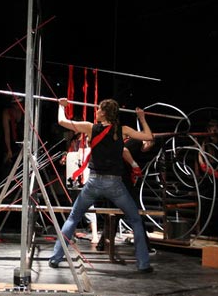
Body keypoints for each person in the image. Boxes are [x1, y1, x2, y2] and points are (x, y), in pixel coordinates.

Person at [48, 97, 155, 273]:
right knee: (135, 220)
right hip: (115, 184)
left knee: (73, 218)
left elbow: (62, 121)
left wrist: (61, 106)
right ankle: (143, 264)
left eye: (99, 109)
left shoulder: (90, 127)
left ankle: (55, 258)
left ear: (104, 113)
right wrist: (142, 118)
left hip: (94, 182)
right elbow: (149, 136)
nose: (96, 111)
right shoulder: (123, 130)